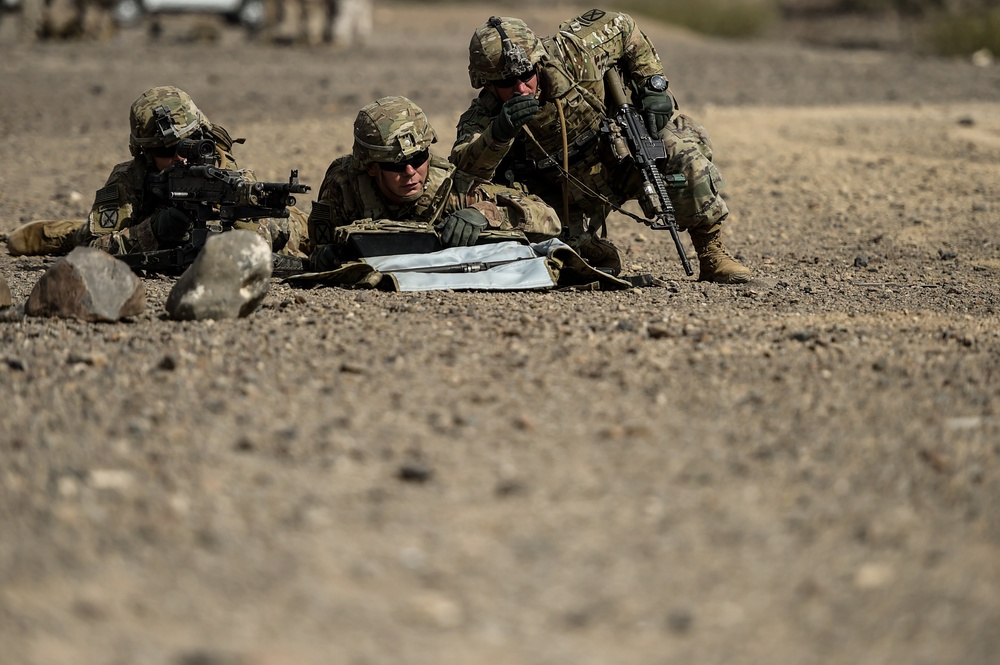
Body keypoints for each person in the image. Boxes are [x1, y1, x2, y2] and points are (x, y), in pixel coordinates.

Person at [450, 10, 752, 283]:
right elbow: (464, 171)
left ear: (539, 61)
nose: (520, 87)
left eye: (526, 74)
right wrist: (500, 133)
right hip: (563, 197)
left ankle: (712, 254)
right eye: (506, 83)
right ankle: (592, 249)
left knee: (678, 149)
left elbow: (622, 27)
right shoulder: (484, 117)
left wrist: (651, 81)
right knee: (554, 256)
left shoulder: (574, 52)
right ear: (487, 84)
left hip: (619, 159)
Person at [7, 86, 309, 260]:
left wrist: (255, 228)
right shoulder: (131, 179)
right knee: (68, 236)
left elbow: (278, 231)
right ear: (145, 153)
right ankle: (49, 231)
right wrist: (157, 229)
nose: (181, 157)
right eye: (166, 152)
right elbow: (95, 247)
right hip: (135, 223)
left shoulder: (221, 169)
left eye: (189, 145)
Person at [307, 95, 561, 270]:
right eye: (395, 165)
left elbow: (548, 219)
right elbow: (317, 243)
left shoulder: (447, 187)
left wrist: (484, 213)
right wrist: (325, 254)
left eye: (418, 158)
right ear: (371, 167)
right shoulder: (346, 187)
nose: (410, 171)